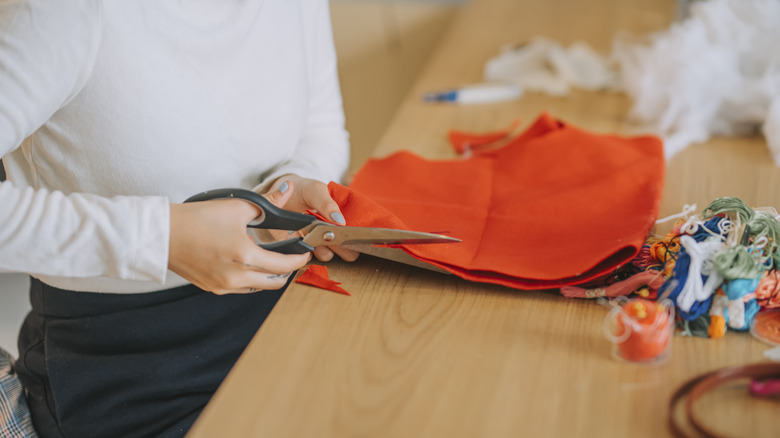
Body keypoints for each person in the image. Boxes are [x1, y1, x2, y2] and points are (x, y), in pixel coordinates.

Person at [0, 0, 357, 436]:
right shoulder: (60, 13)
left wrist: (285, 194)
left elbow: (321, 127)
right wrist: (158, 238)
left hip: (281, 310)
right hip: (127, 363)